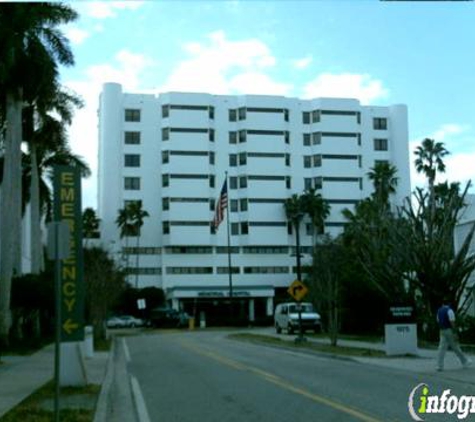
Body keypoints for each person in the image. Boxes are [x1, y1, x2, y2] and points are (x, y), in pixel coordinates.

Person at [436, 298, 472, 371]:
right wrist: (455, 332)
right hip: (449, 330)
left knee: (441, 348)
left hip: (442, 330)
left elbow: (438, 320)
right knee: (456, 347)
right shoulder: (450, 310)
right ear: (449, 304)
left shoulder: (439, 311)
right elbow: (452, 322)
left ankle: (439, 365)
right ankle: (465, 361)